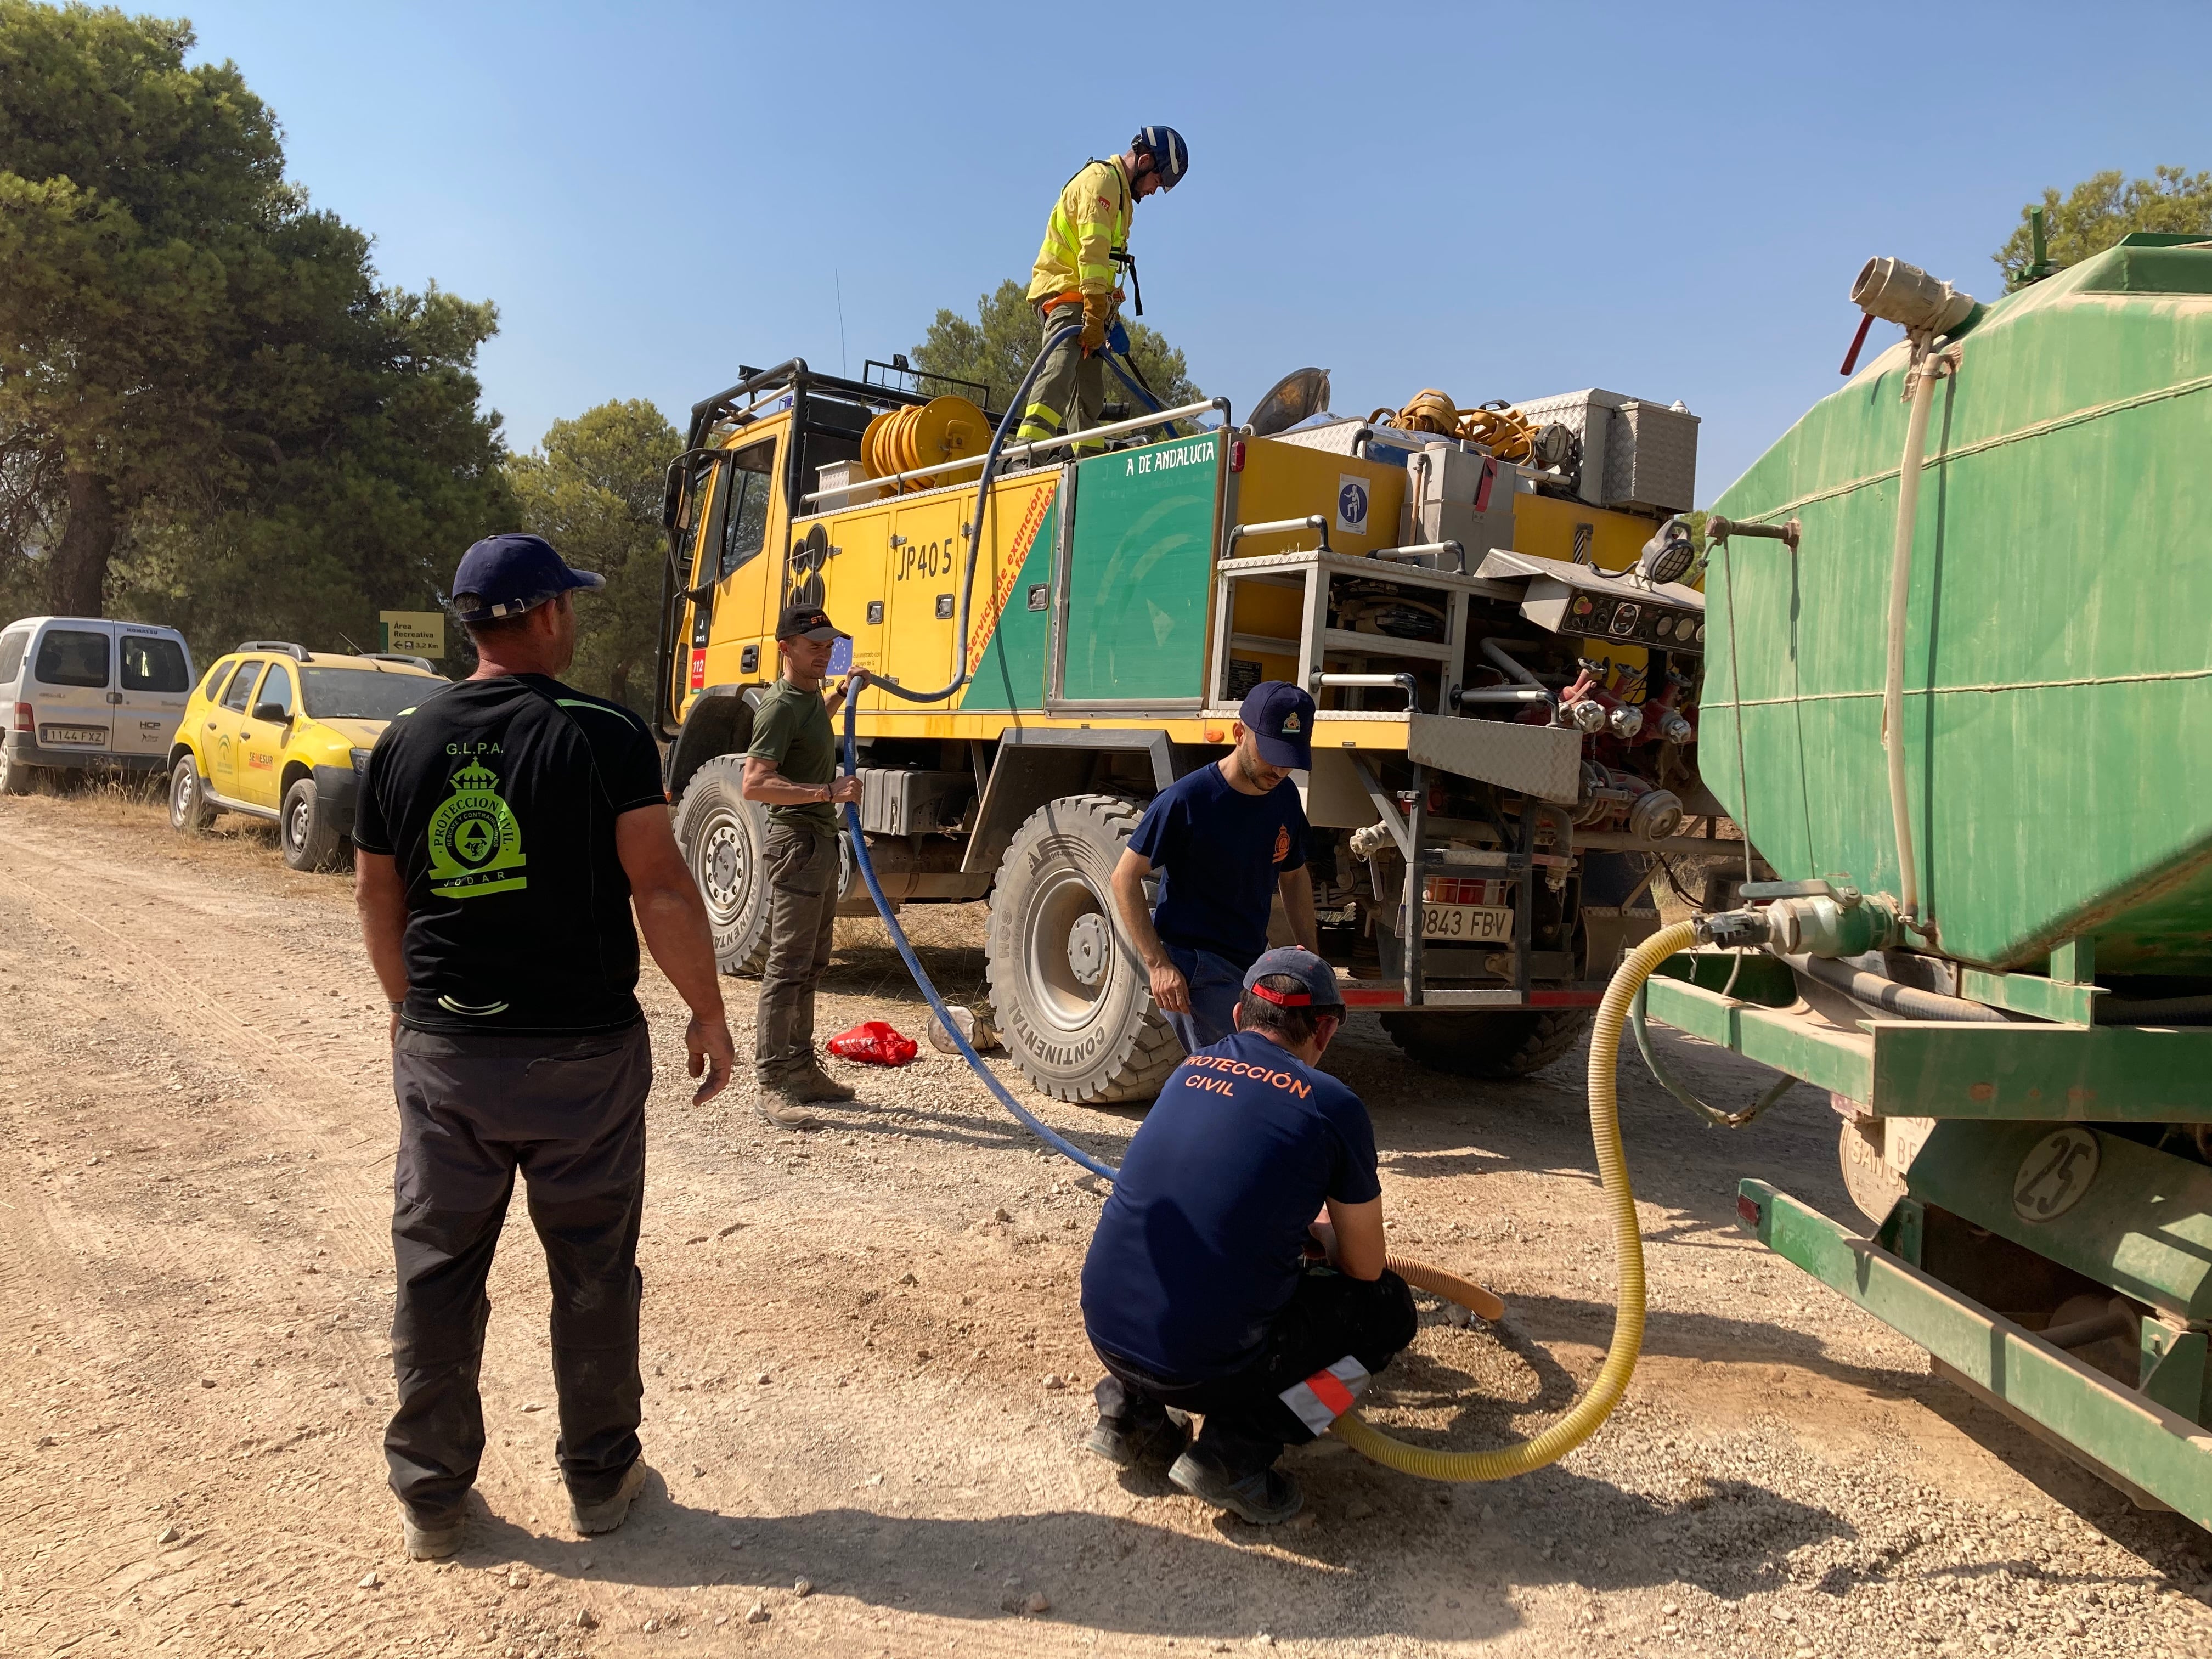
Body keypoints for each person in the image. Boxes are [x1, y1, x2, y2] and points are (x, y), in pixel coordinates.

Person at [353, 532, 738, 1561]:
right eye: (570, 602)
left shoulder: (403, 737)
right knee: (595, 1269)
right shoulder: (605, 734)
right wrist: (706, 1008)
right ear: (547, 614)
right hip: (583, 1062)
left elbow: (378, 892)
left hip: (449, 1055)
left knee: (435, 1270)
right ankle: (602, 1481)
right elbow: (659, 885)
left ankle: (433, 1496)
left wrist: (410, 1009)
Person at [1079, 947, 1417, 1524]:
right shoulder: (1332, 1105)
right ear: (1326, 1029)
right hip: (1205, 1368)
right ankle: (1240, 1451)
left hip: (1104, 1329)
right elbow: (1364, 1268)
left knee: (1168, 1259)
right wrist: (1323, 1241)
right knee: (1388, 1315)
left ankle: (1130, 1415)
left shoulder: (1187, 1070)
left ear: (1239, 1016)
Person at [1110, 680, 1319, 1056]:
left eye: (1291, 757)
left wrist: (1313, 960)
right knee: (1238, 1070)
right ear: (1239, 733)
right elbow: (1124, 877)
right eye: (1271, 752)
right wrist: (1159, 964)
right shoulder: (1186, 800)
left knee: (1260, 1069)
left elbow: (1294, 875)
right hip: (1196, 965)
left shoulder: (1284, 797)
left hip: (1252, 963)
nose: (1281, 769)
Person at [741, 603, 867, 1130]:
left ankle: (802, 1070)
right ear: (785, 647)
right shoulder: (779, 707)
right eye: (813, 645)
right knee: (787, 967)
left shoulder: (810, 696)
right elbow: (754, 782)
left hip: (818, 841)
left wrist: (842, 691)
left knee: (814, 963)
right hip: (795, 842)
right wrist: (826, 791)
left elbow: (812, 730)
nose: (824, 653)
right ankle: (771, 1082)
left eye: (829, 645)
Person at [1014, 125, 1190, 455]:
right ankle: (1027, 450)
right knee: (1062, 363)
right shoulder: (1103, 182)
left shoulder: (1123, 198)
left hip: (1089, 302)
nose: (1155, 190)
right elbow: (1093, 253)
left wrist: (1108, 316)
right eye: (1157, 181)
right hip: (1065, 295)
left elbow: (1106, 268)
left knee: (1089, 390)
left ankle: (1088, 460)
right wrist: (1095, 312)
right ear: (1146, 161)